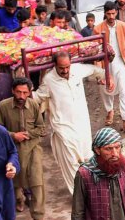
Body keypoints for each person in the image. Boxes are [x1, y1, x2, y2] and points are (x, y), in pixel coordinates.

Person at [30, 52, 106, 193]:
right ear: (55, 66)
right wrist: (26, 93)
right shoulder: (49, 79)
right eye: (61, 68)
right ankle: (78, 194)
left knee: (87, 157)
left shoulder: (77, 69)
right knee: (71, 161)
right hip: (63, 127)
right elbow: (38, 97)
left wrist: (104, 78)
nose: (65, 71)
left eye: (67, 67)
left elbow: (97, 70)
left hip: (82, 124)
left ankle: (92, 189)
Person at [0, 76, 51, 220]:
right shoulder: (3, 106)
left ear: (29, 92)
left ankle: (38, 218)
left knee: (37, 182)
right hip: (11, 150)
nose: (21, 96)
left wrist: (28, 134)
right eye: (18, 92)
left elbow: (41, 128)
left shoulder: (33, 105)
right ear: (12, 91)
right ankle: (19, 199)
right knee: (15, 180)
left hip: (33, 149)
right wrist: (13, 135)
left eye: (25, 93)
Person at [96, 2, 125, 134]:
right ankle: (110, 110)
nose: (111, 16)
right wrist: (99, 74)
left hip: (121, 62)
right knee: (105, 88)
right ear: (105, 13)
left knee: (124, 90)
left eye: (113, 13)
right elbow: (97, 53)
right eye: (108, 13)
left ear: (116, 12)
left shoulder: (123, 26)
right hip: (105, 64)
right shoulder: (98, 29)